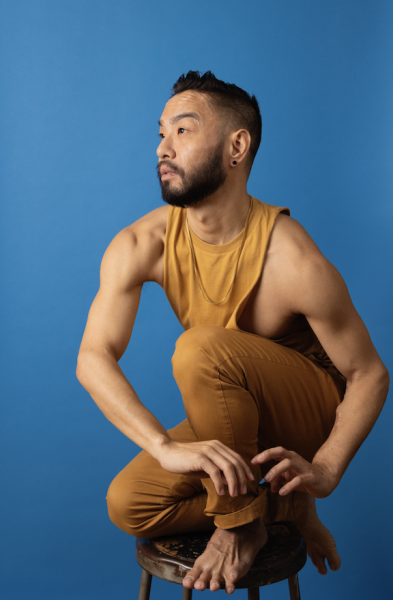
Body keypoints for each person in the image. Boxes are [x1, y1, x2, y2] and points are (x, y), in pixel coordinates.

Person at [76, 71, 389, 595]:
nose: (162, 147)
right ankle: (282, 503)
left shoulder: (290, 256)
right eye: (160, 133)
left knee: (199, 347)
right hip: (231, 411)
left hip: (304, 413)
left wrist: (328, 468)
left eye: (183, 130)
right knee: (128, 502)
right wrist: (164, 446)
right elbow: (93, 356)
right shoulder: (141, 242)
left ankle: (241, 524)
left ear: (236, 146)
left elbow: (369, 374)